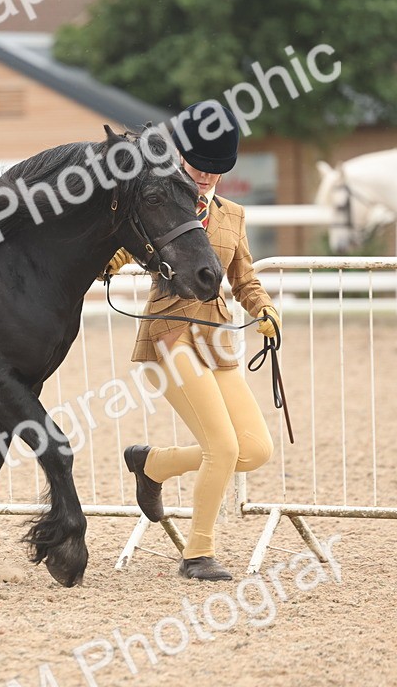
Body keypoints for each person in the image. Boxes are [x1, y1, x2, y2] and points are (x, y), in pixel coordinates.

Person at [104, 101, 279, 582]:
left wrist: (263, 308)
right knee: (221, 448)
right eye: (198, 167)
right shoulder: (158, 204)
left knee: (254, 450)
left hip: (216, 340)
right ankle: (197, 554)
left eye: (214, 171)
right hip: (168, 337)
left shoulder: (233, 216)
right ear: (181, 159)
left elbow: (244, 280)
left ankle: (153, 465)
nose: (205, 178)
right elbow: (117, 248)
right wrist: (107, 260)